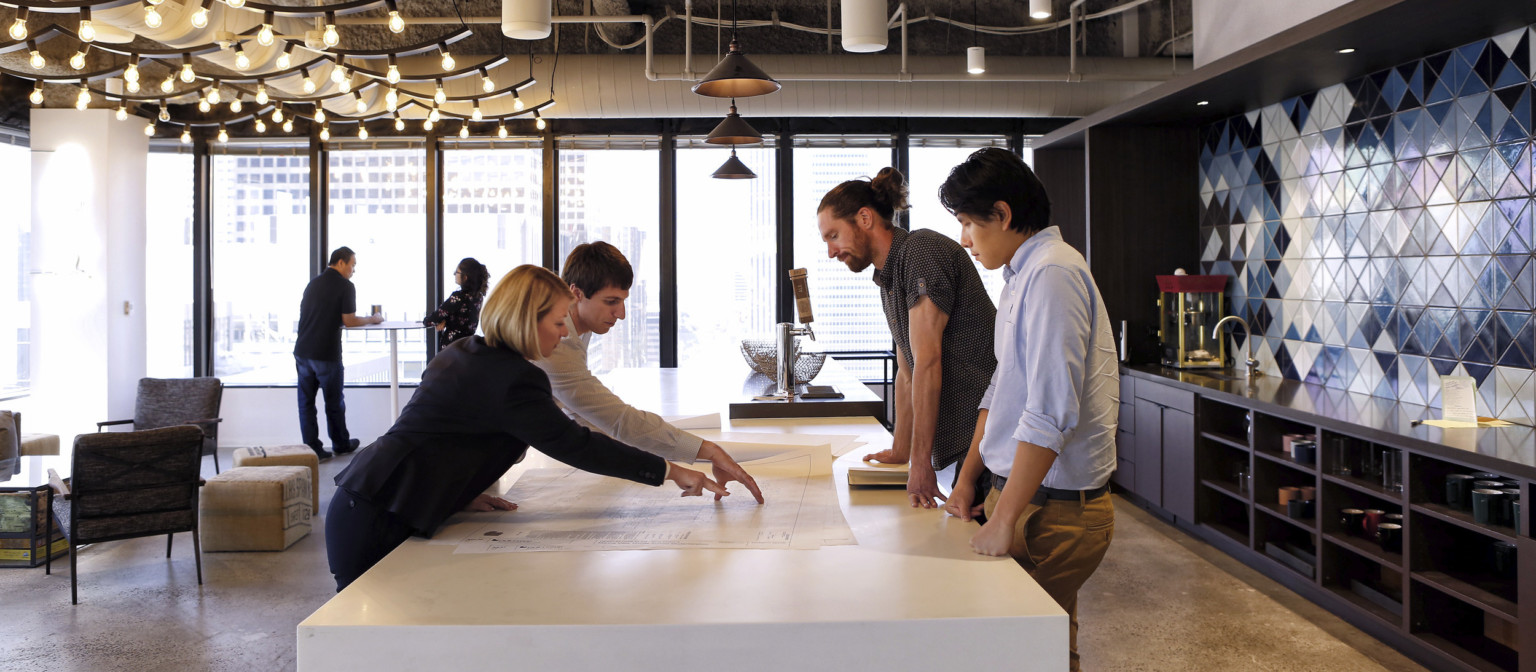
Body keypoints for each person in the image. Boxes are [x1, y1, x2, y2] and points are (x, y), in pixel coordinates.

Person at [327, 264, 732, 592]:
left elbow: (436, 439)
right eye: (557, 323)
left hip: (367, 500)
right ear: (526, 319)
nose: (563, 333)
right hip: (377, 517)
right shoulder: (513, 378)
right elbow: (577, 445)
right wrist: (671, 471)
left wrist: (457, 492)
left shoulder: (466, 352)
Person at [939, 148, 1118, 672]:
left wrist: (1008, 516)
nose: (966, 240)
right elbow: (1001, 390)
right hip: (1022, 495)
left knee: (1021, 653)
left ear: (1004, 214)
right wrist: (969, 480)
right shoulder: (1021, 274)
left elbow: (1049, 411)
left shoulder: (1053, 274)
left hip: (1054, 509)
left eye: (969, 223)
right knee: (1043, 649)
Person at [816, 168, 996, 509]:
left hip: (990, 440)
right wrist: (901, 451)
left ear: (865, 218)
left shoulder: (921, 252)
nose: (831, 252)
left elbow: (928, 361)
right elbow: (907, 370)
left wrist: (921, 463)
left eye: (833, 236)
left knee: (986, 553)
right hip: (972, 441)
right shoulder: (888, 275)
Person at [534, 242, 763, 503]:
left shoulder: (575, 329)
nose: (620, 314)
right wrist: (704, 452)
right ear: (576, 293)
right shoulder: (559, 341)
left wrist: (647, 462)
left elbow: (584, 416)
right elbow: (618, 420)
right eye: (611, 302)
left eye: (622, 301)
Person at [294, 246, 383, 460]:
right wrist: (373, 319)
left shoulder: (313, 283)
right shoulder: (345, 286)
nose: (353, 270)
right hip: (325, 353)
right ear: (341, 262)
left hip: (303, 351)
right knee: (334, 402)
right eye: (352, 265)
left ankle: (313, 449)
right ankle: (340, 444)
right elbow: (349, 321)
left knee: (306, 404)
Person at [424, 257, 490, 350]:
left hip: (452, 347)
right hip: (468, 346)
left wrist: (441, 321)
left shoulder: (458, 297)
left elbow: (430, 320)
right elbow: (462, 318)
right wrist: (446, 321)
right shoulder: (478, 297)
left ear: (465, 277)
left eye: (457, 272)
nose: (454, 274)